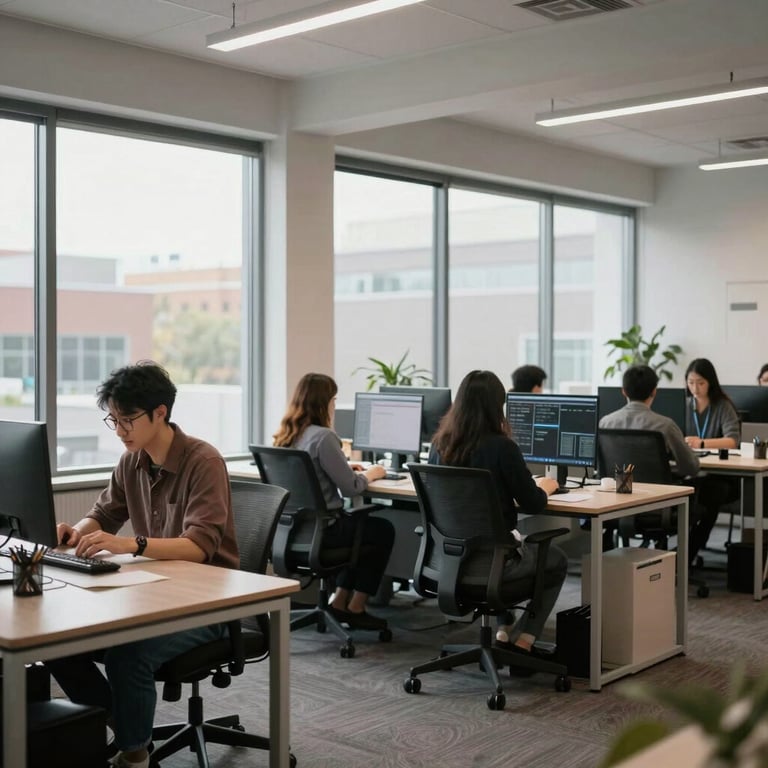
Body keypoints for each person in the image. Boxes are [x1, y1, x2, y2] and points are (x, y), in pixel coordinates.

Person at [47, 361, 239, 768]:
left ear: (160, 413)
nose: (119, 430)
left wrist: (130, 544)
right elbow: (104, 513)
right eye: (112, 420)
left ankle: (134, 754)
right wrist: (76, 533)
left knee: (128, 655)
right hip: (154, 594)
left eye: (127, 419)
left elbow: (200, 546)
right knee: (55, 644)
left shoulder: (203, 461)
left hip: (210, 603)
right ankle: (128, 726)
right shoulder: (130, 461)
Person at [429, 370, 566, 653]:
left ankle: (503, 631)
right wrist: (547, 487)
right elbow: (532, 503)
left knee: (504, 540)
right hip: (497, 566)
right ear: (497, 406)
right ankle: (526, 641)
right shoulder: (502, 447)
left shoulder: (438, 445)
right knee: (554, 558)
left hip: (450, 563)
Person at [273, 372, 394, 630]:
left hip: (293, 532)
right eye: (333, 399)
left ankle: (339, 602)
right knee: (381, 530)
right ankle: (356, 605)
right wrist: (373, 473)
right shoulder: (324, 437)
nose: (334, 405)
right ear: (323, 402)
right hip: (326, 532)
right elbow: (351, 489)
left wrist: (347, 467)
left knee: (360, 529)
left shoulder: (286, 435)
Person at [683, 358, 741, 563]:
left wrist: (701, 443)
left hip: (720, 474)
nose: (695, 388)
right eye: (691, 382)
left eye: (700, 383)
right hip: (691, 470)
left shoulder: (722, 406)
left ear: (710, 382)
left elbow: (732, 441)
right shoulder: (684, 405)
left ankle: (687, 554)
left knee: (712, 496)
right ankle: (673, 554)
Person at [599, 364, 700, 479]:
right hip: (658, 494)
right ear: (654, 391)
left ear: (624, 391)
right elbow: (691, 467)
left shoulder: (605, 423)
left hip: (619, 491)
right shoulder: (665, 426)